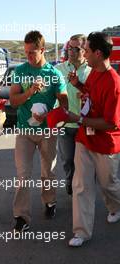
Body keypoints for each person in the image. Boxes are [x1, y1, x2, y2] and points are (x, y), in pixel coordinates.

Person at [64, 32, 120, 246]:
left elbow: (111, 123)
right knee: (81, 185)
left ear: (98, 53)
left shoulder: (114, 83)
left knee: (109, 185)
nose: (83, 54)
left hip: (106, 144)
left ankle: (116, 206)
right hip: (84, 139)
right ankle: (81, 232)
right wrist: (79, 85)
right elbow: (90, 92)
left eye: (86, 50)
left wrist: (79, 119)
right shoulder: (94, 73)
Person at [10, 30, 68, 232]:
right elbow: (13, 101)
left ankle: (50, 202)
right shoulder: (20, 71)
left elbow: (63, 99)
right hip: (25, 131)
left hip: (47, 131)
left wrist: (55, 107)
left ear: (42, 50)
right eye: (26, 52)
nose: (28, 56)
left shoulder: (54, 74)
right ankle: (21, 216)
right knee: (23, 174)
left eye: (32, 52)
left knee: (47, 172)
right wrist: (30, 92)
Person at [55, 34, 91, 195]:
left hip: (85, 124)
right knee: (68, 159)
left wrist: (84, 93)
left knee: (84, 162)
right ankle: (70, 180)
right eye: (70, 47)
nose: (72, 51)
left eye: (76, 48)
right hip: (64, 124)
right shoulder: (59, 69)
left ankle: (82, 186)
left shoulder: (91, 71)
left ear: (84, 50)